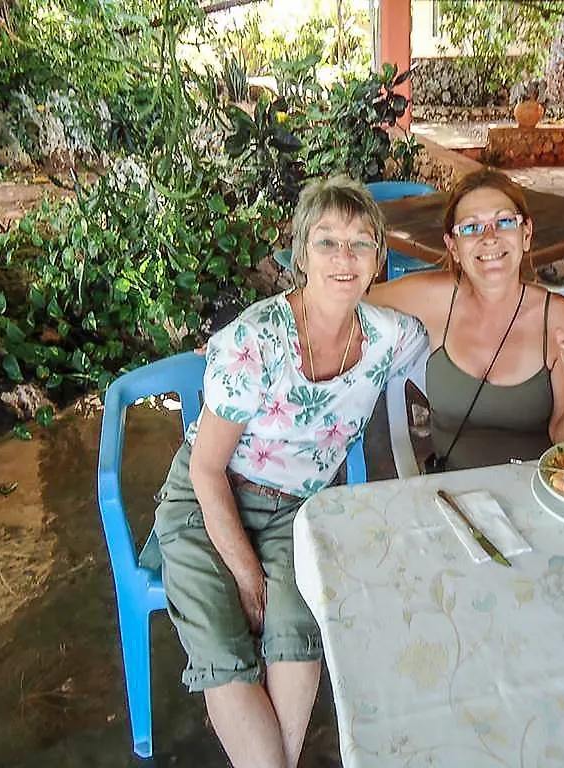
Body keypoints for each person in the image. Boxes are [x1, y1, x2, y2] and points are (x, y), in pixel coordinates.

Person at [141, 176, 427, 768]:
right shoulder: (254, 342)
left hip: (300, 509)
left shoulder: (388, 335)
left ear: (380, 256)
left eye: (360, 244)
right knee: (223, 647)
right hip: (208, 501)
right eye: (327, 242)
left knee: (296, 629)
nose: (344, 258)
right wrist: (248, 577)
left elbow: (465, 318)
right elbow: (206, 467)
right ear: (300, 255)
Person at [366, 168, 564, 471]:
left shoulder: (559, 320)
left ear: (525, 234)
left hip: (537, 496)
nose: (490, 238)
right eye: (471, 227)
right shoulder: (435, 298)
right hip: (452, 497)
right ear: (453, 246)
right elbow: (352, 297)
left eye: (504, 222)